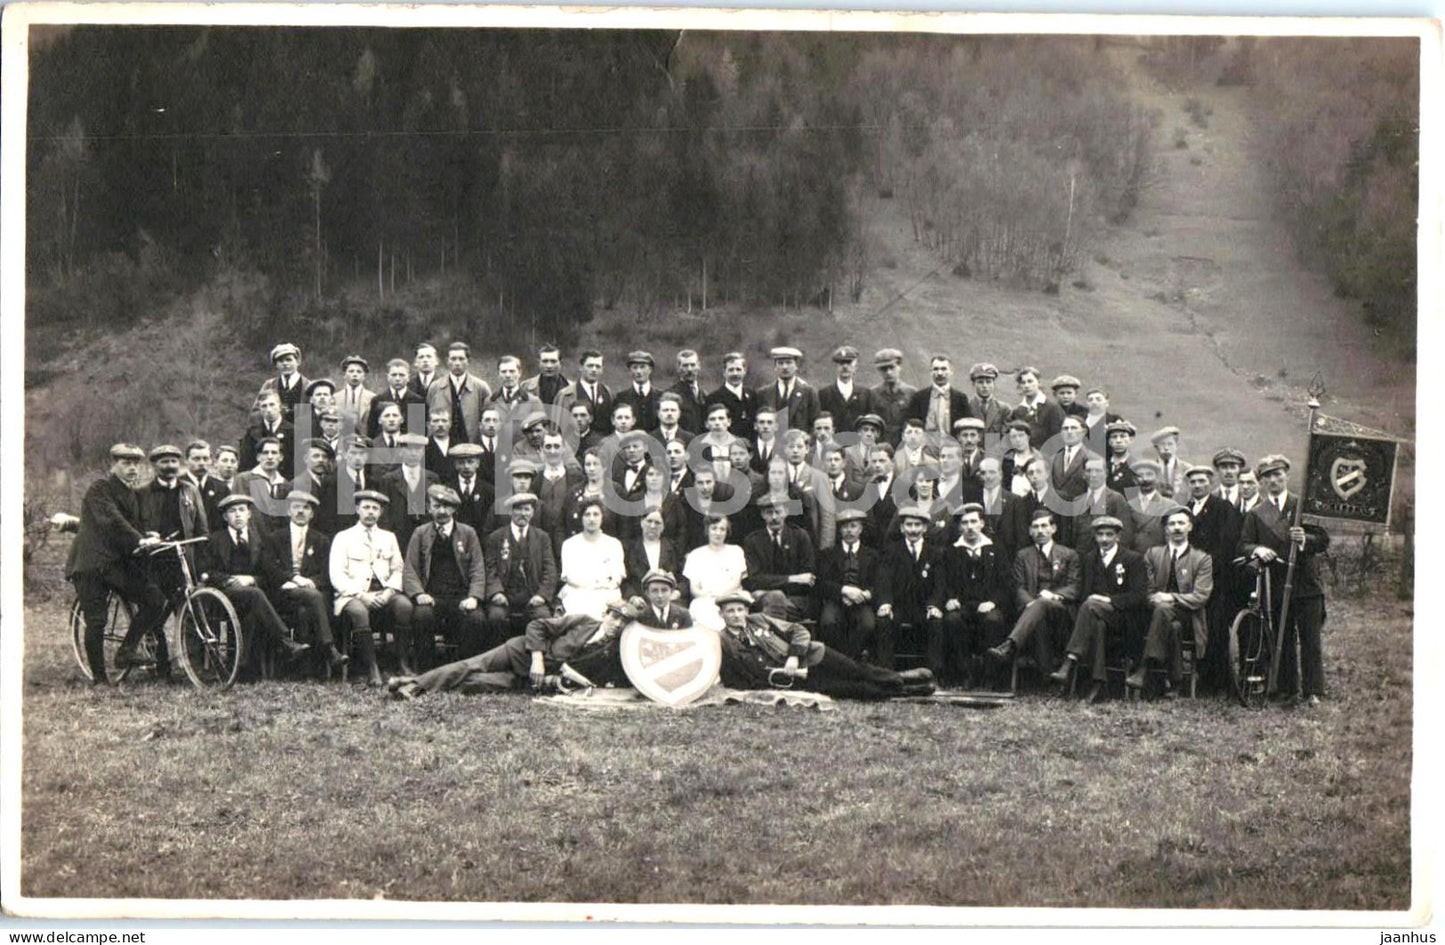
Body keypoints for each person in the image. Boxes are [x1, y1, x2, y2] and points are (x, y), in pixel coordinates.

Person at [386, 598, 644, 699]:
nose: (616, 624)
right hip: (521, 652)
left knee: (476, 683)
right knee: (471, 665)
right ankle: (414, 688)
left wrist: (552, 677)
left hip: (531, 679)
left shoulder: (611, 650)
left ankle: (410, 680)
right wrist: (538, 659)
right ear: (605, 613)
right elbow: (537, 626)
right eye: (615, 617)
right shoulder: (584, 621)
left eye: (623, 622)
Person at [66, 443, 172, 683]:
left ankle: (126, 650)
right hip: (91, 563)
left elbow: (137, 525)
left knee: (154, 600)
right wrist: (139, 539)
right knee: (96, 621)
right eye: (126, 463)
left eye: (136, 463)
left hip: (116, 565)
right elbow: (113, 520)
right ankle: (100, 678)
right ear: (113, 465)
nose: (132, 468)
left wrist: (151, 535)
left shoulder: (134, 495)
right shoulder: (99, 489)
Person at [714, 590, 935, 700]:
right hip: (793, 681)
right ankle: (910, 690)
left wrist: (793, 655)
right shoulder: (723, 641)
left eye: (740, 610)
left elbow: (798, 630)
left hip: (812, 655)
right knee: (851, 690)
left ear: (746, 611)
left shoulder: (759, 620)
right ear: (721, 614)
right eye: (730, 611)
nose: (736, 615)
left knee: (857, 671)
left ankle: (903, 677)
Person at [1238, 454, 1331, 705]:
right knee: (1283, 638)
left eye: (1278, 474)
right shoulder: (1256, 513)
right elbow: (1244, 544)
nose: (1273, 480)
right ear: (1262, 482)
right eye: (1267, 476)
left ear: (1286, 475)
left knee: (1310, 639)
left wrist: (1305, 539)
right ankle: (1287, 688)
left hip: (1306, 584)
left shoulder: (1302, 505)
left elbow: (1323, 540)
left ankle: (1313, 690)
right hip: (1277, 584)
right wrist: (1257, 550)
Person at [203, 494, 313, 674]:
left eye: (241, 510)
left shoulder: (260, 539)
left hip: (253, 595)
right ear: (225, 517)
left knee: (254, 609)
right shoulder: (216, 540)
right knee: (255, 595)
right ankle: (286, 641)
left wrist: (252, 579)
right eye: (232, 511)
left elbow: (268, 573)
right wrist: (230, 579)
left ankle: (242, 667)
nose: (237, 515)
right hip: (224, 595)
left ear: (249, 514)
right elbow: (208, 571)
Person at [1049, 516, 1149, 702]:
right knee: (1097, 624)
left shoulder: (1132, 559)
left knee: (1091, 604)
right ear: (1094, 536)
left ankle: (1070, 660)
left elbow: (1139, 596)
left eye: (1109, 535)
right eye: (1100, 534)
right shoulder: (1089, 559)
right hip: (1093, 618)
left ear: (1118, 536)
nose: (1104, 539)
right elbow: (1083, 592)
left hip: (1124, 618)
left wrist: (1109, 600)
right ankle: (1098, 683)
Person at [329, 489, 414, 684]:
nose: (370, 512)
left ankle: (402, 664)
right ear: (357, 509)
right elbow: (337, 575)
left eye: (375, 508)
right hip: (352, 594)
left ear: (380, 513)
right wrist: (361, 595)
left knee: (404, 606)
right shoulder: (343, 537)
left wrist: (390, 591)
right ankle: (372, 668)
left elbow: (398, 570)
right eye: (366, 507)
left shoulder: (388, 537)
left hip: (384, 591)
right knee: (359, 613)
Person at [259, 491, 349, 671]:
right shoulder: (275, 537)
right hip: (283, 593)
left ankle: (305, 666)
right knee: (314, 598)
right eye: (296, 507)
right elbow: (268, 567)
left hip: (309, 592)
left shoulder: (321, 540)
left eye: (306, 508)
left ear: (312, 514)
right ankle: (330, 649)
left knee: (304, 611)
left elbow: (327, 571)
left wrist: (312, 582)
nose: (301, 511)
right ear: (288, 511)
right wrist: (293, 578)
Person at [1129, 507, 1214, 697]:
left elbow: (1200, 597)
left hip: (1189, 616)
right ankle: (1176, 681)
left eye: (1181, 523)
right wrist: (1156, 599)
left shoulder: (1202, 559)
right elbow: (1146, 590)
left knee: (1166, 612)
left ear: (1190, 527)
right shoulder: (1153, 554)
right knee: (1170, 624)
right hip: (1154, 613)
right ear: (1166, 529)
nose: (1177, 528)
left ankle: (1145, 669)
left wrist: (1171, 598)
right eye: (1172, 524)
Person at [986, 509, 1081, 674]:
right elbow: (1018, 587)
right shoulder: (1022, 556)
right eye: (1035, 527)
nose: (1040, 531)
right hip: (1032, 613)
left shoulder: (1069, 554)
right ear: (1030, 531)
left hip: (1061, 613)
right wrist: (1032, 605)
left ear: (1054, 529)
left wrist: (1052, 596)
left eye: (1044, 526)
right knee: (1039, 618)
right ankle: (1047, 677)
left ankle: (1009, 645)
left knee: (1042, 604)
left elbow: (1075, 587)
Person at [403, 484, 489, 666]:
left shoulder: (468, 533)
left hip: (461, 597)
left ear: (454, 509)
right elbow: (410, 568)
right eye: (436, 506)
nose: (442, 511)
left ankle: (464, 667)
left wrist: (474, 597)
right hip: (432, 597)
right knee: (421, 616)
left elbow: (477, 568)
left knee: (476, 619)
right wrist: (419, 594)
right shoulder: (420, 533)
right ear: (428, 508)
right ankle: (427, 668)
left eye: (446, 506)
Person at [1180, 464, 1244, 691]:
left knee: (1215, 627)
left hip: (1216, 578)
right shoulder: (1186, 510)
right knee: (1194, 625)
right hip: (1190, 579)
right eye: (1193, 482)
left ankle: (1217, 683)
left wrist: (1206, 569)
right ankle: (1192, 678)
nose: (1197, 485)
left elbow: (1227, 544)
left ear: (1210, 482)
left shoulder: (1222, 507)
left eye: (1202, 481)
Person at [936, 503, 1012, 688]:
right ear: (959, 527)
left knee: (993, 621)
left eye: (973, 522)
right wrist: (949, 598)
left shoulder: (996, 549)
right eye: (964, 523)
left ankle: (989, 676)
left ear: (982, 524)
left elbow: (1006, 583)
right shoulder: (951, 551)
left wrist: (993, 601)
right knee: (952, 621)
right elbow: (942, 580)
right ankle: (965, 674)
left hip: (988, 605)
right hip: (962, 605)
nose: (969, 527)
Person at [482, 492, 558, 648]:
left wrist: (542, 595)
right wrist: (496, 592)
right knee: (496, 617)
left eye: (527, 509)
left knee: (543, 617)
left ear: (532, 512)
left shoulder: (542, 537)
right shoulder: (496, 537)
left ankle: (535, 660)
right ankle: (499, 659)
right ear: (510, 511)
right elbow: (489, 568)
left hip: (532, 595)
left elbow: (550, 570)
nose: (523, 514)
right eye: (518, 509)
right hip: (504, 595)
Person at [138, 444, 208, 610]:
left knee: (188, 604)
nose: (170, 466)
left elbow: (201, 525)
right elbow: (136, 525)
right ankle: (153, 634)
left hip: (182, 555)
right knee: (155, 605)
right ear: (155, 465)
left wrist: (202, 556)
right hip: (155, 557)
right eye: (164, 462)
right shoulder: (142, 493)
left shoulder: (190, 490)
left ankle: (185, 635)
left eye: (174, 461)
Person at [874, 506, 944, 670]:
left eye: (917, 525)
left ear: (925, 528)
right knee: (883, 621)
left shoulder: (935, 553)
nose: (913, 530)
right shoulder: (891, 551)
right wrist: (885, 603)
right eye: (909, 525)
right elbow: (883, 580)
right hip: (899, 607)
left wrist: (934, 605)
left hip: (923, 607)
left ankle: (933, 674)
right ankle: (886, 672)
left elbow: (940, 584)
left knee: (936, 622)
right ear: (901, 527)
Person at [815, 509, 880, 661]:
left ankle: (850, 660)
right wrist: (843, 591)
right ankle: (841, 660)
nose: (849, 530)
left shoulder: (872, 555)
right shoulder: (829, 554)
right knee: (828, 622)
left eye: (853, 526)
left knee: (868, 624)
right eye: (845, 527)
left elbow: (879, 582)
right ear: (839, 530)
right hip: (837, 600)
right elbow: (822, 583)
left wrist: (866, 594)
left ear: (861, 529)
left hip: (861, 602)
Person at [742, 495, 817, 621]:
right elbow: (755, 579)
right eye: (769, 513)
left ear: (786, 512)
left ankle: (770, 638)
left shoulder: (799, 536)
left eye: (778, 512)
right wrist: (791, 578)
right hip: (763, 597)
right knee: (774, 599)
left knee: (774, 604)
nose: (774, 517)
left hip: (795, 599)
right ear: (762, 515)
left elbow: (808, 577)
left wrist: (771, 583)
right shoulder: (753, 541)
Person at [557, 498, 627, 620]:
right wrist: (592, 584)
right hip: (578, 593)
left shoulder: (614, 544)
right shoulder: (569, 545)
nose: (592, 519)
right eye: (587, 515)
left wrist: (601, 585)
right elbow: (570, 576)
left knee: (607, 617)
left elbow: (617, 577)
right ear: (581, 518)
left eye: (596, 514)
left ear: (602, 517)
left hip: (607, 593)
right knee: (579, 617)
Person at [683, 514, 748, 631]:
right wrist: (707, 596)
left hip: (732, 597)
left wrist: (721, 596)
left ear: (727, 532)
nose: (718, 533)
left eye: (722, 529)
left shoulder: (736, 551)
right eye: (714, 528)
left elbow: (736, 582)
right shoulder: (696, 555)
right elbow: (694, 588)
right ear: (707, 530)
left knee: (732, 610)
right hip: (706, 599)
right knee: (701, 610)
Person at [380, 433, 439, 553]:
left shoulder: (432, 478)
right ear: (401, 451)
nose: (413, 453)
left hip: (426, 537)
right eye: (408, 449)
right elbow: (385, 513)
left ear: (423, 452)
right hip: (399, 537)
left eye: (418, 449)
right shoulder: (389, 479)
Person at [428, 342, 492, 443]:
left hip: (472, 445)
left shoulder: (481, 388)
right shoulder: (435, 387)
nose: (457, 363)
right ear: (447, 361)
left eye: (461, 359)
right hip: (443, 445)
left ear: (468, 361)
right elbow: (429, 417)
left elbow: (489, 419)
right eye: (453, 359)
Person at [1072, 456, 1136, 553]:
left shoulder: (1116, 499)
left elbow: (1125, 534)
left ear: (1106, 473)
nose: (1093, 475)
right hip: (1082, 557)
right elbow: (1073, 535)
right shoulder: (1078, 501)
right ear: (1083, 474)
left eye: (1098, 471)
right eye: (1089, 471)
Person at [905, 355, 971, 445]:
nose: (939, 373)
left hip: (952, 447)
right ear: (930, 372)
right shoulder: (919, 397)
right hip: (926, 447)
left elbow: (966, 427)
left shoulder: (960, 398)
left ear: (951, 371)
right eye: (935, 369)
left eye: (944, 369)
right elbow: (911, 424)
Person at [755, 346, 820, 435]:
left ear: (796, 366)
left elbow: (815, 424)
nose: (784, 367)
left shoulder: (809, 392)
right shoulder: (763, 393)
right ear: (775, 367)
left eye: (789, 363)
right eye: (780, 363)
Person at [626, 508, 685, 600]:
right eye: (649, 521)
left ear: (663, 527)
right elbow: (626, 580)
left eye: (657, 523)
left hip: (669, 599)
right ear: (642, 522)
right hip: (640, 599)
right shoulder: (630, 548)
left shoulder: (673, 548)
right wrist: (632, 597)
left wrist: (677, 593)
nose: (653, 526)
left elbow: (683, 578)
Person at [555, 349, 615, 438]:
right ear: (581, 367)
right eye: (590, 366)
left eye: (597, 366)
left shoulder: (607, 392)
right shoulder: (566, 395)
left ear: (602, 369)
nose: (594, 370)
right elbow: (557, 427)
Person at [1126, 460, 1183, 553]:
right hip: (1134, 559)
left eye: (1149, 474)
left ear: (1157, 478)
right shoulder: (1128, 505)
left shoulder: (1170, 506)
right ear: (1134, 480)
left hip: (1160, 558)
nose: (1145, 479)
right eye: (1140, 476)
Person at [239, 390, 295, 481]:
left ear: (280, 406)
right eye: (264, 406)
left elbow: (297, 465)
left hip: (286, 482)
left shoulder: (293, 431)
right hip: (257, 483)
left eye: (272, 405)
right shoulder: (252, 433)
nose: (268, 410)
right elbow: (245, 463)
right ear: (260, 409)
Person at [818, 345, 874, 434]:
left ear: (855, 367)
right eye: (841, 363)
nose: (845, 367)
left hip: (858, 443)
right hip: (833, 444)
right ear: (836, 367)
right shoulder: (824, 393)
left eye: (849, 363)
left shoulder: (865, 393)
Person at [368, 358, 427, 439]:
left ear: (408, 377)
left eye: (401, 375)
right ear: (387, 376)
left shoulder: (417, 401)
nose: (398, 379)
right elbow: (372, 431)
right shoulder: (378, 400)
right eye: (394, 375)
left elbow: (418, 432)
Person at [706, 351, 757, 443]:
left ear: (744, 371)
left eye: (738, 369)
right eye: (731, 370)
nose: (735, 374)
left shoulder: (753, 396)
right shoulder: (713, 398)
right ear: (724, 372)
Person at [869, 347, 916, 445]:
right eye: (884, 369)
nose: (888, 372)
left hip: (904, 444)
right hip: (880, 444)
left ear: (899, 366)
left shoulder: (912, 393)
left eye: (892, 367)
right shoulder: (872, 394)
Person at [183, 439, 231, 533]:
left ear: (211, 461)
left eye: (205, 459)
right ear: (186, 461)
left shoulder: (221, 488)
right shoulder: (178, 486)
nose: (201, 463)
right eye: (196, 459)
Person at [446, 442, 495, 537]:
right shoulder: (448, 489)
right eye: (461, 462)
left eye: (470, 462)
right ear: (455, 465)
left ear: (477, 463)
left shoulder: (489, 490)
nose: (466, 466)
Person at [1012, 366, 1064, 449]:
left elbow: (1057, 439)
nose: (1026, 386)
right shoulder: (1018, 411)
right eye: (1023, 382)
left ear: (1039, 383)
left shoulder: (1052, 408)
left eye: (1030, 381)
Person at [258, 342, 310, 424]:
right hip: (274, 432)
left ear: (298, 361)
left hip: (302, 432)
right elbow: (257, 411)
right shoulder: (269, 385)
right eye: (280, 361)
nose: (285, 364)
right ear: (276, 365)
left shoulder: (308, 387)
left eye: (289, 359)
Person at [1049, 415, 1098, 502]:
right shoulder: (1053, 459)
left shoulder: (1093, 459)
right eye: (1065, 428)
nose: (1069, 432)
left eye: (1074, 428)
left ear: (1084, 432)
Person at [615, 350, 662, 432]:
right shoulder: (621, 397)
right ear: (630, 371)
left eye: (642, 367)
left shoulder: (661, 397)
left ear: (650, 370)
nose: (638, 371)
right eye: (635, 367)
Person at [667, 348, 708, 434]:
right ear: (678, 368)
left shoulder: (704, 395)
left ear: (699, 366)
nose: (689, 369)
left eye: (693, 365)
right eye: (685, 365)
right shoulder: (671, 395)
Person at [967, 362, 1011, 437]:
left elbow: (1006, 436)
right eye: (980, 382)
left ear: (994, 384)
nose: (985, 386)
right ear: (974, 384)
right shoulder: (967, 407)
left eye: (988, 382)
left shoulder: (1004, 409)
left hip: (997, 448)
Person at [1000, 419, 1042, 497]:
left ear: (1028, 437)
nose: (1018, 440)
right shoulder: (1006, 461)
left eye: (1021, 435)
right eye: (1013, 437)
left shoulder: (1040, 459)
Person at [521, 343, 570, 407]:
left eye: (553, 361)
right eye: (545, 361)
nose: (549, 366)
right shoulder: (525, 387)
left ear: (560, 363)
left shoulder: (571, 388)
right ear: (539, 362)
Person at [335, 355, 374, 431]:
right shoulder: (335, 398)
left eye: (359, 372)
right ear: (344, 375)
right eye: (351, 371)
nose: (355, 374)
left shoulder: (373, 398)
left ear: (364, 376)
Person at [1150, 426, 1189, 499]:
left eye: (1170, 444)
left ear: (1177, 445)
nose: (1166, 448)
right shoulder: (1148, 470)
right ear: (1156, 447)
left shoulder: (1187, 469)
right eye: (1162, 444)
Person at [1104, 420, 1140, 493]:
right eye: (1114, 437)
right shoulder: (1103, 466)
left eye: (1123, 436)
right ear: (1109, 441)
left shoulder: (1137, 467)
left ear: (1131, 439)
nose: (1118, 440)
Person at [423, 407, 457, 483]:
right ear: (428, 425)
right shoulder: (423, 447)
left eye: (444, 421)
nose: (440, 424)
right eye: (436, 421)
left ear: (450, 423)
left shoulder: (458, 445)